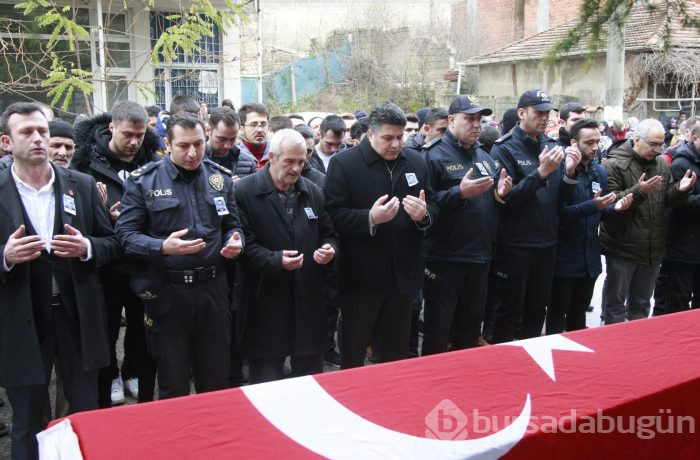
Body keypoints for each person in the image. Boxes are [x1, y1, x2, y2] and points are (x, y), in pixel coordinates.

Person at [0, 102, 119, 460]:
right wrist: (4, 257)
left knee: (82, 412)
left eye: (42, 131)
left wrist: (86, 247)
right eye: (27, 132)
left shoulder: (80, 185)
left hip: (76, 317)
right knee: (27, 420)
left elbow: (113, 243)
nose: (38, 138)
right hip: (21, 320)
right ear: (6, 142)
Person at [115, 112, 244, 399]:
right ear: (167, 144)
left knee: (216, 381)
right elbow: (124, 237)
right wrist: (161, 246)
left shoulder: (218, 178)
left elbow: (233, 224)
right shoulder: (144, 182)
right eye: (184, 145)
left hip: (213, 293)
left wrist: (235, 240)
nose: (192, 152)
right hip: (169, 295)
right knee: (173, 384)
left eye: (198, 144)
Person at [324, 102, 436, 368]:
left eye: (400, 137)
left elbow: (434, 204)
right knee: (354, 351)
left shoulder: (416, 162)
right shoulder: (344, 164)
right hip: (361, 279)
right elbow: (331, 215)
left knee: (395, 354)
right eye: (388, 138)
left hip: (403, 278)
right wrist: (370, 218)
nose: (395, 144)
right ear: (371, 134)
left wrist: (424, 215)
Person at [72, 100, 161, 407]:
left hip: (142, 261)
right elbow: (74, 211)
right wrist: (102, 214)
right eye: (127, 135)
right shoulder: (84, 160)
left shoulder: (152, 159)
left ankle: (132, 370)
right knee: (107, 326)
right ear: (112, 127)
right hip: (105, 263)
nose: (134, 142)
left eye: (139, 135)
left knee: (141, 324)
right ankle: (109, 374)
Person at [235, 129, 337, 383]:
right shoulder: (244, 193)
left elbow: (329, 232)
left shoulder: (313, 191)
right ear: (271, 157)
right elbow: (243, 245)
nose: (296, 168)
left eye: (302, 162)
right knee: (266, 379)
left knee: (310, 378)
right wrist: (275, 260)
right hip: (265, 297)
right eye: (289, 161)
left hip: (308, 296)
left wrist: (330, 249)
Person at [421, 95, 512, 355]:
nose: (476, 125)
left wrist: (500, 194)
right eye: (469, 119)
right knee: (438, 332)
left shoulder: (484, 155)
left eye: (479, 120)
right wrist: (458, 193)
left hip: (480, 258)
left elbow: (489, 204)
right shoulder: (432, 156)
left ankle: (463, 385)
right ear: (451, 120)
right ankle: (433, 385)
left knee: (469, 331)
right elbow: (425, 208)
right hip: (446, 259)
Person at [489, 89, 581, 343]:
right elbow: (507, 200)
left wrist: (570, 174)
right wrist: (540, 173)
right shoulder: (503, 149)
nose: (544, 118)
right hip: (516, 244)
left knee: (537, 309)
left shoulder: (550, 145)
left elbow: (557, 198)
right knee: (509, 311)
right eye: (538, 112)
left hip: (547, 242)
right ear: (521, 113)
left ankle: (531, 364)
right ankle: (502, 363)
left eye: (547, 113)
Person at [601, 118, 696, 325]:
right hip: (622, 246)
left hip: (652, 247)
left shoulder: (661, 163)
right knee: (616, 303)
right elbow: (612, 202)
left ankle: (638, 347)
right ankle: (614, 346)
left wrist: (681, 189)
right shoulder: (615, 164)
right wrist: (639, 191)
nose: (657, 149)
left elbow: (666, 199)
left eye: (661, 144)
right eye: (653, 144)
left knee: (642, 304)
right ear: (636, 139)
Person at [547, 119, 633, 334]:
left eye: (597, 141)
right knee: (558, 311)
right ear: (574, 143)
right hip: (564, 257)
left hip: (589, 258)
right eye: (589, 142)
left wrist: (616, 208)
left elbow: (600, 212)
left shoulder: (598, 171)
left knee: (579, 313)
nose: (595, 147)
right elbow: (557, 213)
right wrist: (592, 206)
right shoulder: (560, 169)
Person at [205, 107, 256, 179]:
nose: (227, 146)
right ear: (208, 130)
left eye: (233, 139)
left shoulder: (248, 162)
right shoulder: (195, 160)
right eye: (222, 139)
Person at [238, 103, 271, 169]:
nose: (259, 130)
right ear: (241, 129)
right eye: (253, 125)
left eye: (263, 124)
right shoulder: (234, 155)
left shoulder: (278, 153)